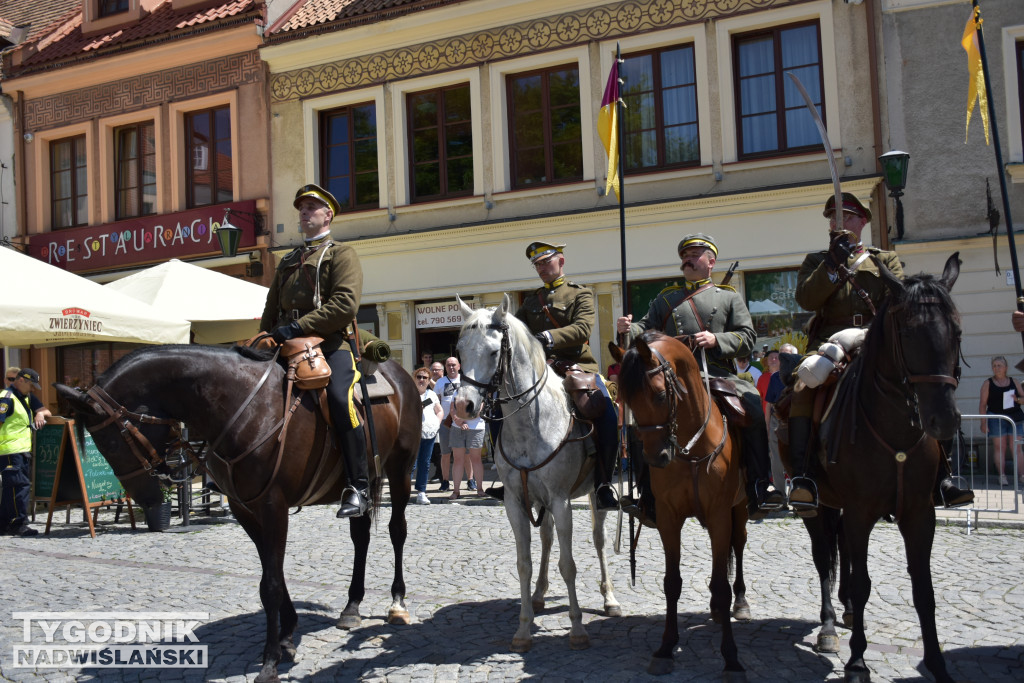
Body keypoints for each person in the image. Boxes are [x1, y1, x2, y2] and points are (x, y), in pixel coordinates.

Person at [789, 192, 972, 512]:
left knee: (929, 383)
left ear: (862, 222)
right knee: (805, 386)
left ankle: (944, 476)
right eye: (834, 217)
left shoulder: (884, 259)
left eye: (846, 217)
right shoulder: (817, 260)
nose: (838, 222)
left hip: (877, 339)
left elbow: (901, 299)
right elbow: (806, 300)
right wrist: (832, 264)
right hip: (830, 341)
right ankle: (805, 477)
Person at [616, 233, 784, 520]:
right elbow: (644, 329)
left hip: (717, 373)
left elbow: (747, 336)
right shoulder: (666, 298)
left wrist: (716, 339)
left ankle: (759, 485)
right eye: (685, 255)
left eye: (695, 254)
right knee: (641, 417)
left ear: (711, 262)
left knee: (754, 407)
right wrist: (626, 329)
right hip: (674, 378)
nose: (688, 259)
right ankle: (646, 493)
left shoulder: (728, 297)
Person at [259, 183, 370, 519]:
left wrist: (298, 326)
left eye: (311, 207)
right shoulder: (289, 259)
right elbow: (270, 306)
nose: (304, 212)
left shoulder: (341, 254)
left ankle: (358, 486)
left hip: (329, 342)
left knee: (340, 399)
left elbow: (345, 305)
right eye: (301, 208)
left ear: (328, 215)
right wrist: (265, 337)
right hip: (286, 342)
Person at [484, 241, 619, 510]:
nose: (541, 268)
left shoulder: (579, 295)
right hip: (538, 370)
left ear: (561, 261)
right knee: (499, 408)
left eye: (546, 262)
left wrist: (548, 336)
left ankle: (603, 482)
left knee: (604, 410)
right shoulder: (532, 301)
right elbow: (515, 328)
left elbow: (582, 329)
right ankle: (506, 475)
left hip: (575, 367)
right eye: (537, 264)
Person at [1, 368, 51, 536]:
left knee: (11, 489)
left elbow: (45, 410)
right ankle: (19, 524)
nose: (33, 388)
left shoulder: (25, 397)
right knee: (19, 487)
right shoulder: (6, 398)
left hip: (20, 451)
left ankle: (5, 524)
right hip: (10, 451)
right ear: (21, 380)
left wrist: (39, 414)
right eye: (31, 385)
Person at [979, 356, 1024, 487]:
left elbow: (1023, 398)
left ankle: (1022, 475)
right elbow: (982, 404)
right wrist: (983, 422)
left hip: (1015, 418)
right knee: (1000, 448)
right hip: (996, 418)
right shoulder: (987, 383)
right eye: (994, 365)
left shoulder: (1014, 381)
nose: (996, 368)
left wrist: (1017, 400)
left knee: (1017, 447)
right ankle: (1002, 476)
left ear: (1006, 368)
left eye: (999, 365)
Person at [434, 357, 475, 492]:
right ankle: (445, 481)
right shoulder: (440, 382)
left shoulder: (466, 381)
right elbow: (434, 401)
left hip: (464, 421)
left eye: (453, 365)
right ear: (445, 367)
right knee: (445, 453)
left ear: (459, 366)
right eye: (448, 365)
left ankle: (470, 480)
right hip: (446, 422)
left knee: (467, 453)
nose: (451, 367)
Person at [413, 368, 442, 504]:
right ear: (414, 378)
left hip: (429, 432)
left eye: (425, 378)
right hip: (413, 433)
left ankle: (421, 492)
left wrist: (437, 423)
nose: (422, 380)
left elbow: (439, 410)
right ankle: (404, 491)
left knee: (425, 463)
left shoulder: (432, 394)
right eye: (419, 377)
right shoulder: (410, 393)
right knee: (411, 464)